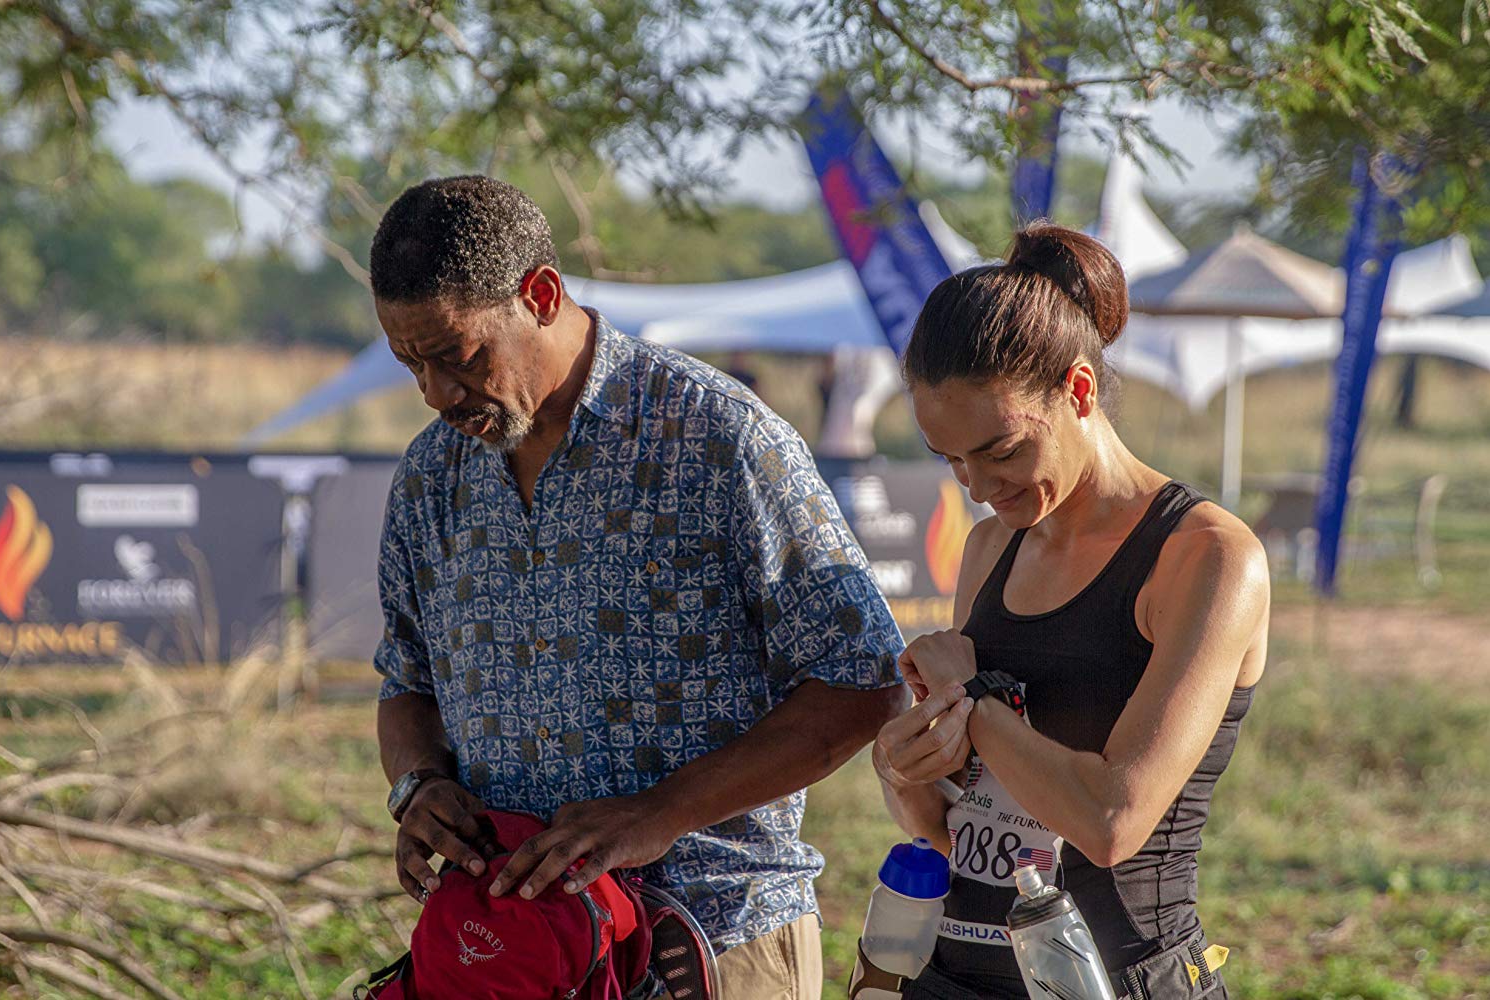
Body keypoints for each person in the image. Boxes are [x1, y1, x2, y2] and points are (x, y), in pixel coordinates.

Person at [367, 175, 907, 998]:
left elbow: (864, 677)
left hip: (709, 939)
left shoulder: (716, 435)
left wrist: (663, 811)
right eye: (411, 364)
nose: (437, 393)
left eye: (459, 356)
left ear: (541, 295)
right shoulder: (429, 478)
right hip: (515, 957)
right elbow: (406, 684)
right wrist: (419, 786)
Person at [872, 223, 1269, 999]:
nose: (977, 488)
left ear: (1078, 391)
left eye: (1001, 451)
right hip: (956, 973)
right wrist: (905, 765)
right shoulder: (992, 546)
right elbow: (957, 821)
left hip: (1119, 977)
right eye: (949, 460)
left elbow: (1111, 822)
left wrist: (969, 699)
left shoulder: (1206, 557)